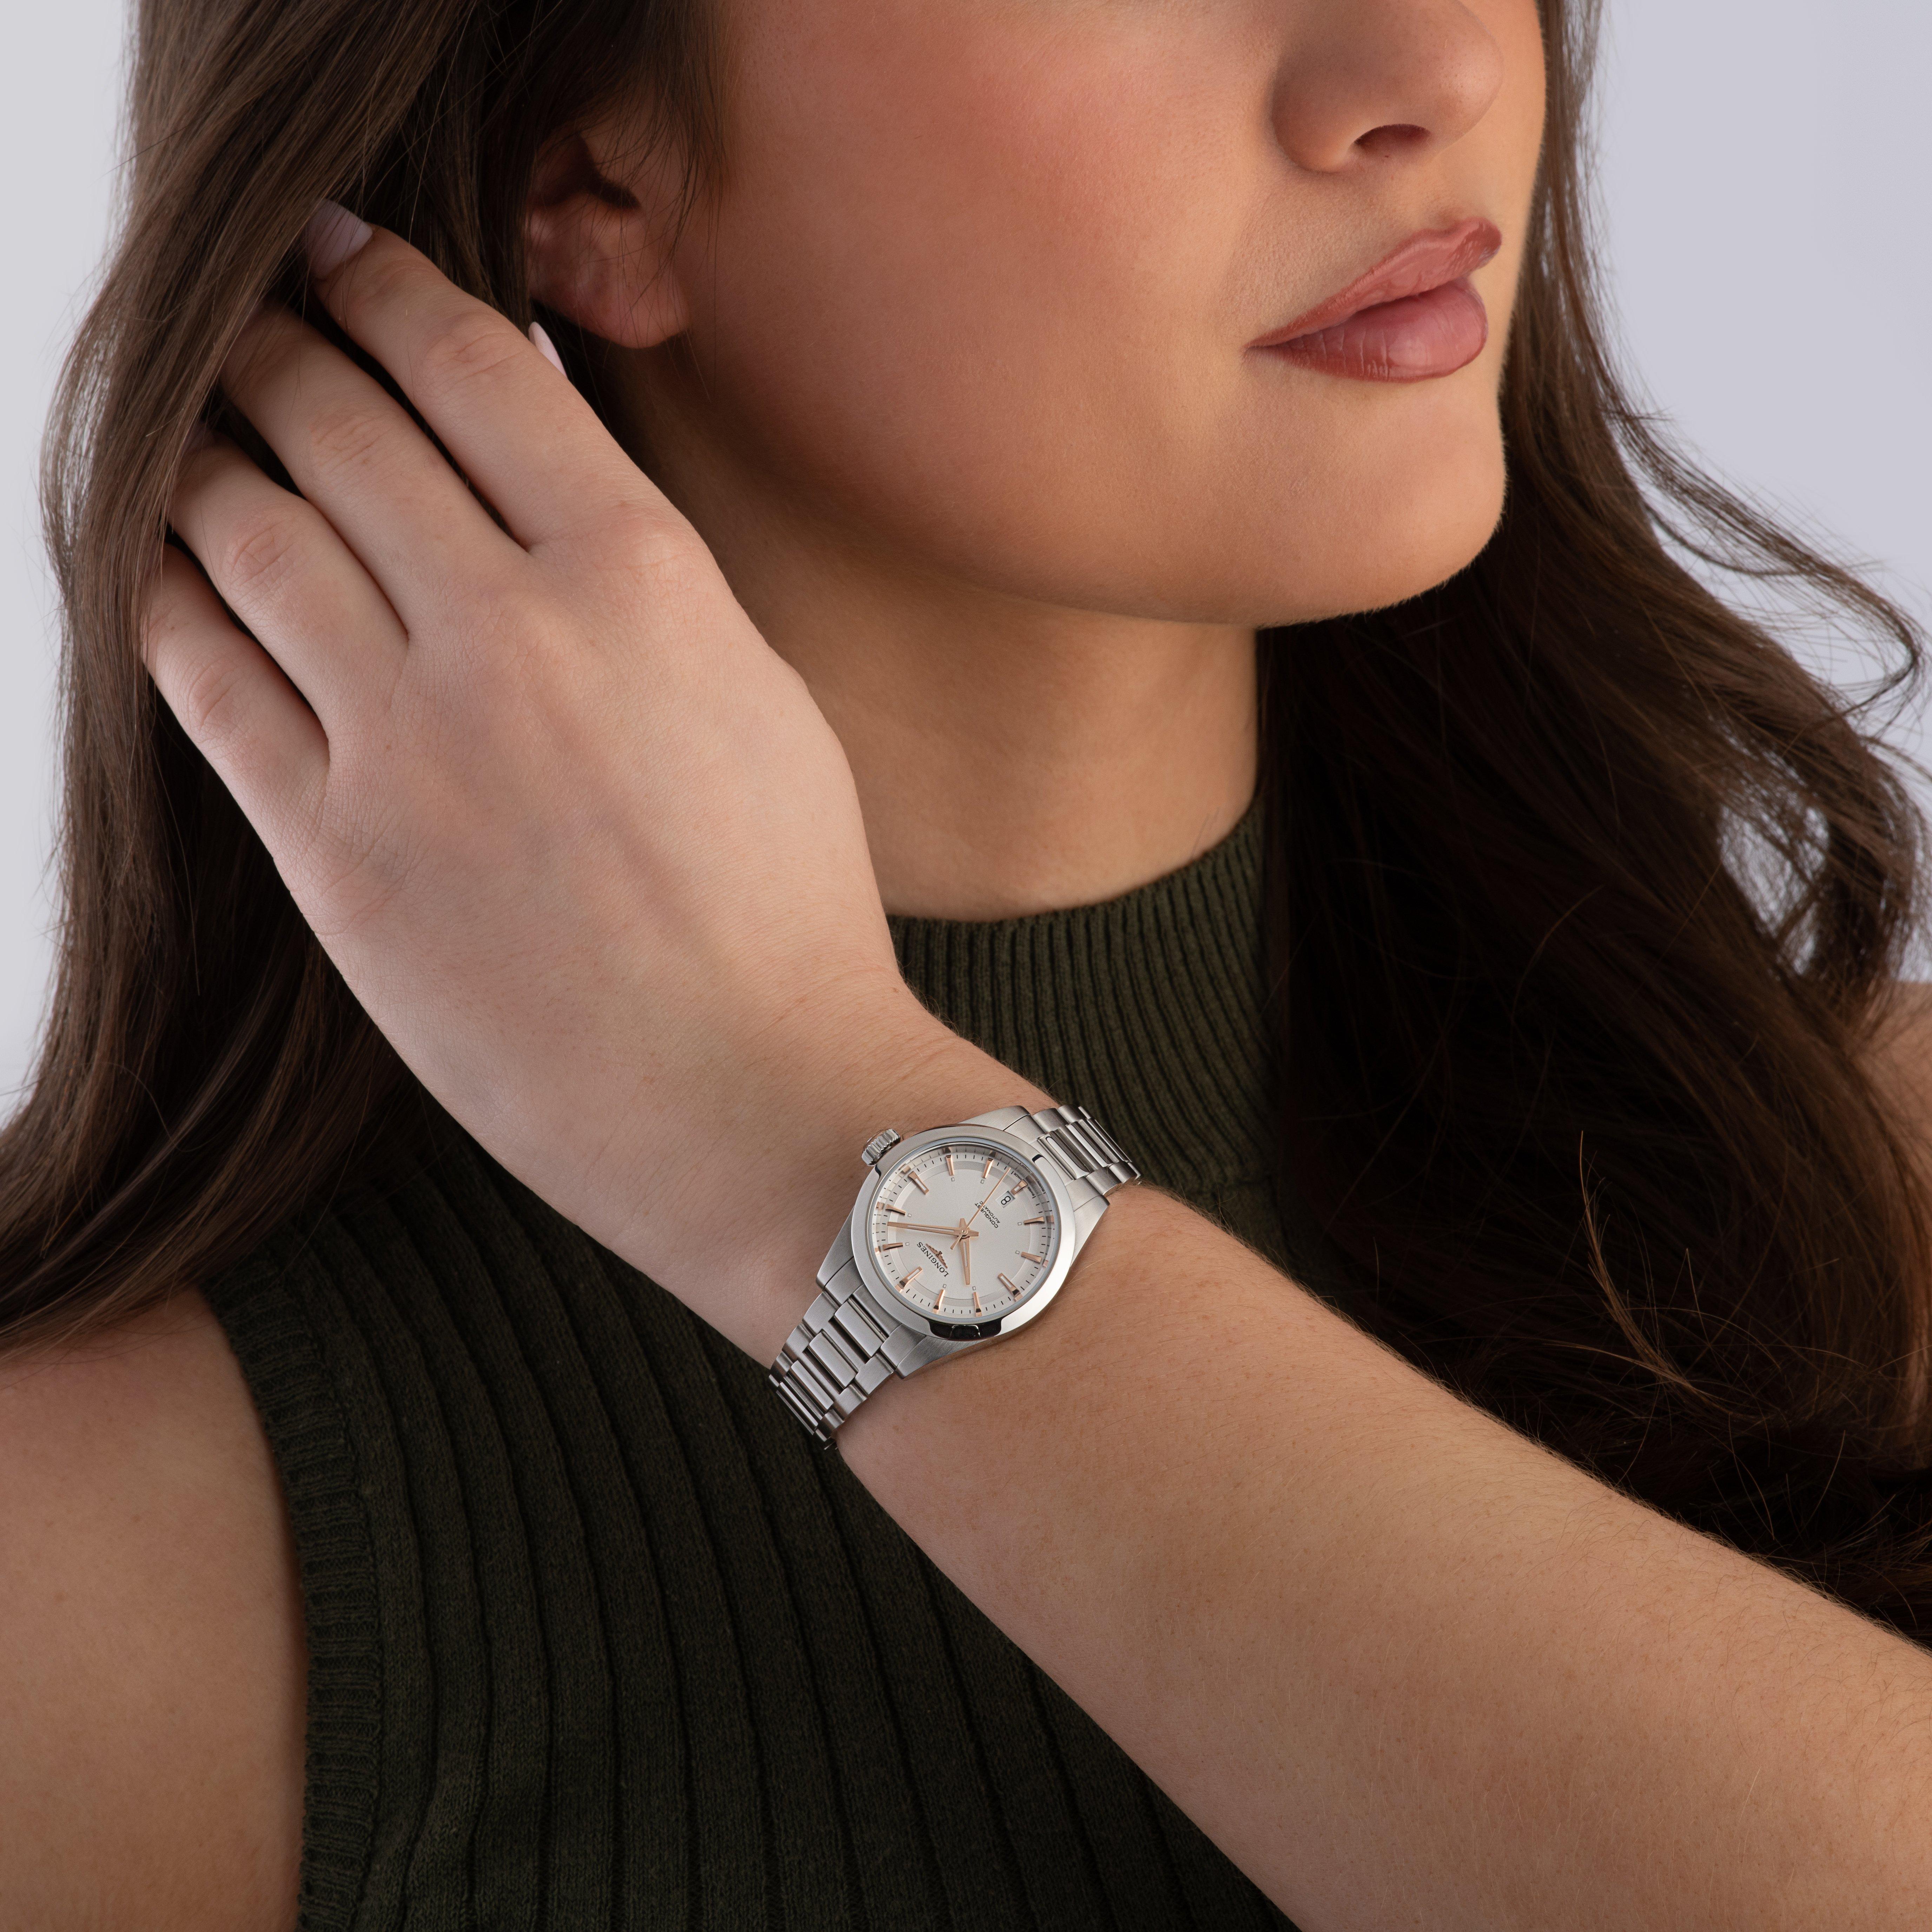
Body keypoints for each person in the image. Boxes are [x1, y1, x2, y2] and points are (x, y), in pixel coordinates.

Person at [5, 0, 1932, 1925]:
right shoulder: (98, 1578)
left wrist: (817, 1129)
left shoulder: (1868, 1212)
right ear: (589, 169)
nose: (1435, 66)